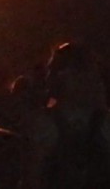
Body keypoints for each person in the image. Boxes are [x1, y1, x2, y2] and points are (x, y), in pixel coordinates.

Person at [24, 42, 110, 188]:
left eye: (55, 70)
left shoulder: (45, 125)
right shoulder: (44, 124)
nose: (49, 77)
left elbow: (33, 176)